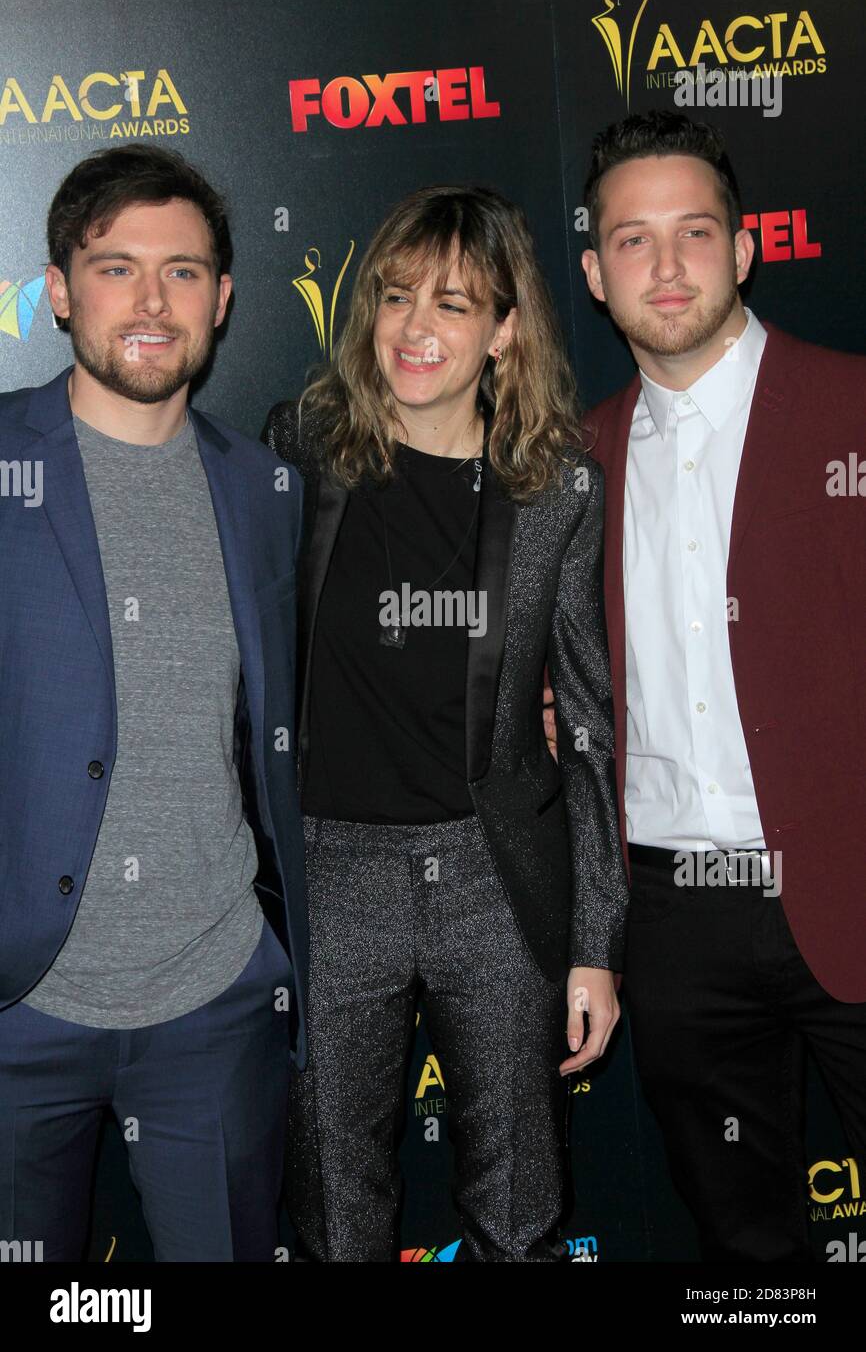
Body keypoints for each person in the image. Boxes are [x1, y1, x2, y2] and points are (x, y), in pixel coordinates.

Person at [264, 184, 628, 1261]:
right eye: (394, 296)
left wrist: (595, 944)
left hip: (493, 875)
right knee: (334, 1201)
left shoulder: (557, 488)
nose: (415, 328)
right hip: (332, 868)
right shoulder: (303, 447)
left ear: (505, 332)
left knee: (518, 1204)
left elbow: (592, 717)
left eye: (454, 304)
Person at [0, 143, 307, 1261]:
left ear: (222, 299)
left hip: (214, 1001)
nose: (150, 299)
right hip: (16, 1006)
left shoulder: (266, 488)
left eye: (182, 271)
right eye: (116, 266)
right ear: (61, 288)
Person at [570, 109, 866, 1260]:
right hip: (675, 916)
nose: (666, 263)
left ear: (743, 249)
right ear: (595, 274)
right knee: (744, 1241)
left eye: (693, 231)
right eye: (632, 240)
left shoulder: (850, 411)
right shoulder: (575, 463)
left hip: (848, 875)